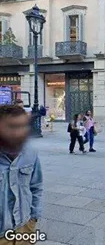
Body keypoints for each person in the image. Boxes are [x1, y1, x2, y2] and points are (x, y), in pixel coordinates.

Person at [0, 105, 43, 244]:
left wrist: (34, 217)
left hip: (25, 228)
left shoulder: (30, 153)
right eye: (12, 126)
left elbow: (36, 185)